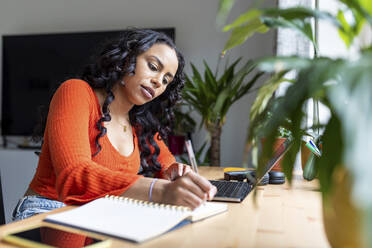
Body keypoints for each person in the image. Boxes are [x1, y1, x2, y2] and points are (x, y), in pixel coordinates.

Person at [12, 28, 217, 224]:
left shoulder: (140, 122)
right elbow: (74, 177)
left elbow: (166, 166)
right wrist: (160, 190)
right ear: (126, 59)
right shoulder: (76, 92)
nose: (158, 82)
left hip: (100, 215)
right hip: (48, 210)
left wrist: (178, 173)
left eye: (166, 80)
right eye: (153, 67)